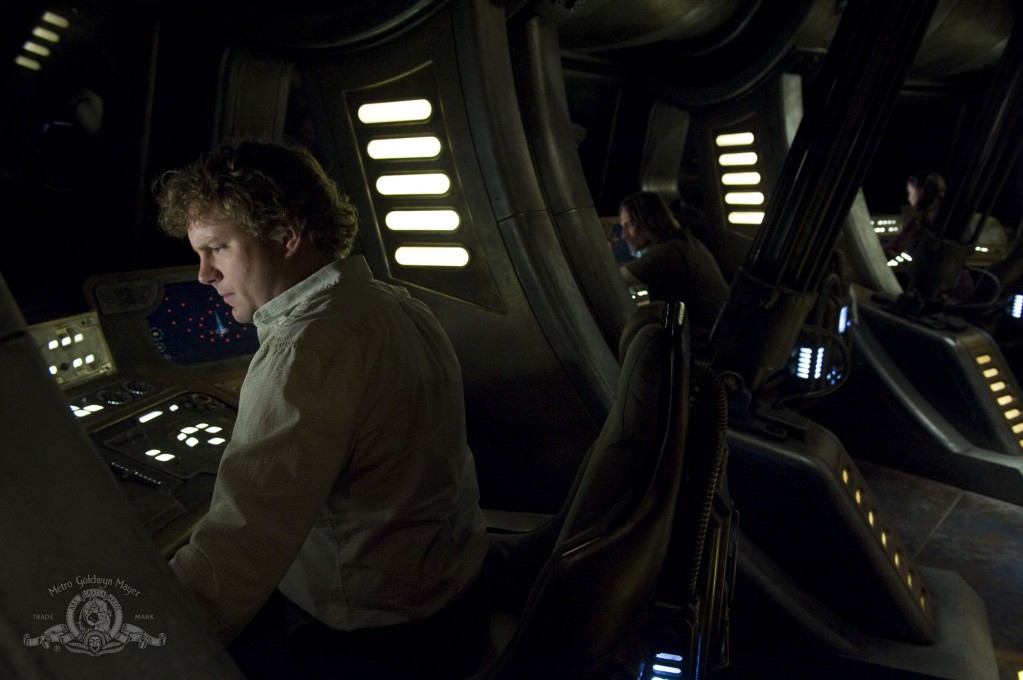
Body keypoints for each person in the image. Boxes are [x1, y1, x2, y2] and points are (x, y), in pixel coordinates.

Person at [153, 140, 490, 678]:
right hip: (456, 602)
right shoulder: (402, 306)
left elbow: (240, 549)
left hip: (374, 642)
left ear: (286, 234)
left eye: (217, 248)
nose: (204, 274)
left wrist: (138, 641)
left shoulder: (303, 350)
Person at [618, 191, 729, 339]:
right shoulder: (685, 241)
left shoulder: (667, 253)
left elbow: (612, 280)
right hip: (721, 337)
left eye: (630, 224)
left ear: (649, 220)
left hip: (706, 344)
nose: (624, 235)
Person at [883, 171, 946, 261]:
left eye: (910, 193)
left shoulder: (918, 221)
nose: (909, 198)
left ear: (922, 193)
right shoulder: (942, 217)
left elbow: (895, 248)